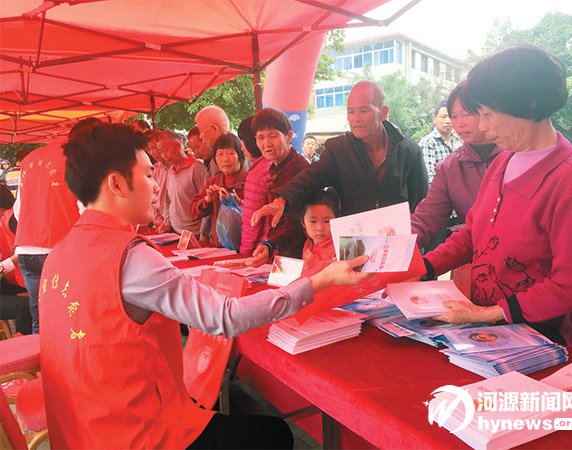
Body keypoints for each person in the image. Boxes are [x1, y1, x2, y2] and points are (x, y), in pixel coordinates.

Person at [38, 122, 368, 449]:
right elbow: (224, 317)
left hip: (80, 432)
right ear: (116, 183)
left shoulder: (59, 253)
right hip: (139, 435)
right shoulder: (129, 257)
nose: (156, 186)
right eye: (149, 175)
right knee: (275, 434)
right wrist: (320, 280)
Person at [425, 46, 572, 347]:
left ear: (529, 103)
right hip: (486, 329)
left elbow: (571, 284)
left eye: (487, 115)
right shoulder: (503, 161)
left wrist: (486, 314)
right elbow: (474, 232)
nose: (482, 127)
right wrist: (425, 267)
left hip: (540, 339)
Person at [251, 80, 428, 231]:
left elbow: (423, 206)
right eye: (351, 111)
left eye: (364, 110)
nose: (356, 118)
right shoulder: (338, 149)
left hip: (397, 241)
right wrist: (283, 199)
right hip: (355, 243)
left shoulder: (409, 151)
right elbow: (311, 176)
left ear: (383, 112)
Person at [13, 118, 98, 333]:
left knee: (40, 317)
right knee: (71, 315)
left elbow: (18, 210)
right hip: (61, 246)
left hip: (26, 249)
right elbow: (86, 208)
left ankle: (41, 353)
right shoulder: (78, 157)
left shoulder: (30, 159)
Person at [411, 81, 502, 250]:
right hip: (473, 254)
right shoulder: (449, 167)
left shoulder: (515, 154)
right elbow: (427, 217)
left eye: (467, 114)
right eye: (454, 116)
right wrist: (393, 244)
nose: (460, 123)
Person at [250, 108, 310, 266]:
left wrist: (271, 245)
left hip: (297, 254)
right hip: (284, 250)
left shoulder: (297, 168)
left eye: (273, 136)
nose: (266, 143)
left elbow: (296, 222)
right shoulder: (278, 166)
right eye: (261, 137)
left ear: (289, 136)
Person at [190, 132, 247, 248]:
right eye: (220, 154)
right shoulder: (213, 182)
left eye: (230, 153)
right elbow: (192, 212)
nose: (225, 159)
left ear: (240, 156)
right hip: (218, 246)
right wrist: (207, 200)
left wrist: (238, 203)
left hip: (245, 246)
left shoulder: (250, 181)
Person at [156, 130, 208, 237]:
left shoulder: (197, 169)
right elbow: (168, 201)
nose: (163, 155)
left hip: (195, 234)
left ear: (178, 145)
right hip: (176, 232)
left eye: (165, 149)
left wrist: (204, 233)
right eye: (160, 151)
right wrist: (168, 223)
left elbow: (207, 203)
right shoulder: (170, 171)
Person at [237, 115, 272, 255]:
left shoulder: (257, 175)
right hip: (276, 246)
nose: (242, 147)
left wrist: (244, 254)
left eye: (243, 141)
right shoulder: (276, 165)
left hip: (262, 251)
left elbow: (251, 223)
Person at [0, 183, 31, 335]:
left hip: (7, 279)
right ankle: (23, 346)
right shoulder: (11, 218)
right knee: (25, 307)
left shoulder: (12, 219)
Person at [419, 99, 463, 183]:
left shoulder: (459, 141)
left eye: (451, 117)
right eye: (443, 117)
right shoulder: (428, 142)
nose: (448, 121)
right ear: (434, 118)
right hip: (440, 189)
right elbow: (428, 177)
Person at [300, 188, 339, 272]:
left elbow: (337, 273)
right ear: (303, 222)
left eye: (327, 221)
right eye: (313, 221)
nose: (320, 228)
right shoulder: (308, 243)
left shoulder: (339, 245)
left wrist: (313, 261)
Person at [193, 106, 231, 176]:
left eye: (201, 131)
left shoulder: (224, 156)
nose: (200, 136)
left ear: (214, 129)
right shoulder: (233, 148)